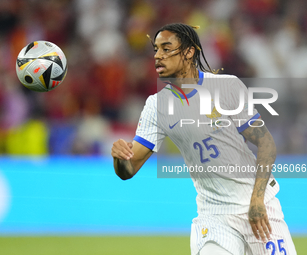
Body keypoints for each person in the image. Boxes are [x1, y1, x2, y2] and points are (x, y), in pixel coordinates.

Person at [111, 23, 296, 255]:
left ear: (189, 52)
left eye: (166, 48)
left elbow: (266, 143)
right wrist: (120, 157)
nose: (157, 56)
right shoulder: (156, 106)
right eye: (156, 49)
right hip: (214, 215)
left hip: (259, 205)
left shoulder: (226, 87)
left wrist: (257, 200)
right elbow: (128, 169)